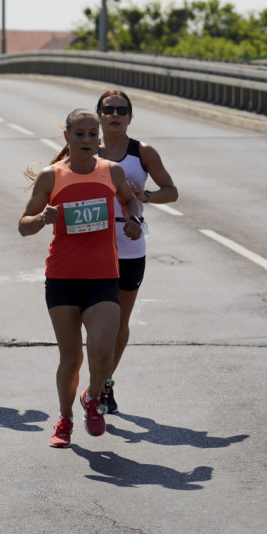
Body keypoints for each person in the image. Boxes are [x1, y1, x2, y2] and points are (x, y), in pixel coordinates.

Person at [19, 108, 144, 448]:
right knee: (71, 357)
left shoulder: (111, 172)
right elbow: (23, 226)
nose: (87, 140)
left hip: (103, 275)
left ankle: (92, 398)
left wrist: (134, 221)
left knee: (102, 351)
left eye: (93, 135)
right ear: (67, 138)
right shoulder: (52, 177)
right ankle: (64, 418)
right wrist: (43, 218)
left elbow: (131, 203)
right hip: (62, 277)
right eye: (80, 134)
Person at [95, 89, 178, 414]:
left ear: (130, 117)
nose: (115, 114)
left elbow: (172, 191)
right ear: (99, 114)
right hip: (92, 243)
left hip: (130, 245)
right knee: (95, 321)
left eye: (121, 109)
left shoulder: (141, 152)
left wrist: (146, 197)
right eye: (108, 109)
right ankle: (97, 381)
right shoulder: (86, 146)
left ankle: (105, 381)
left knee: (118, 322)